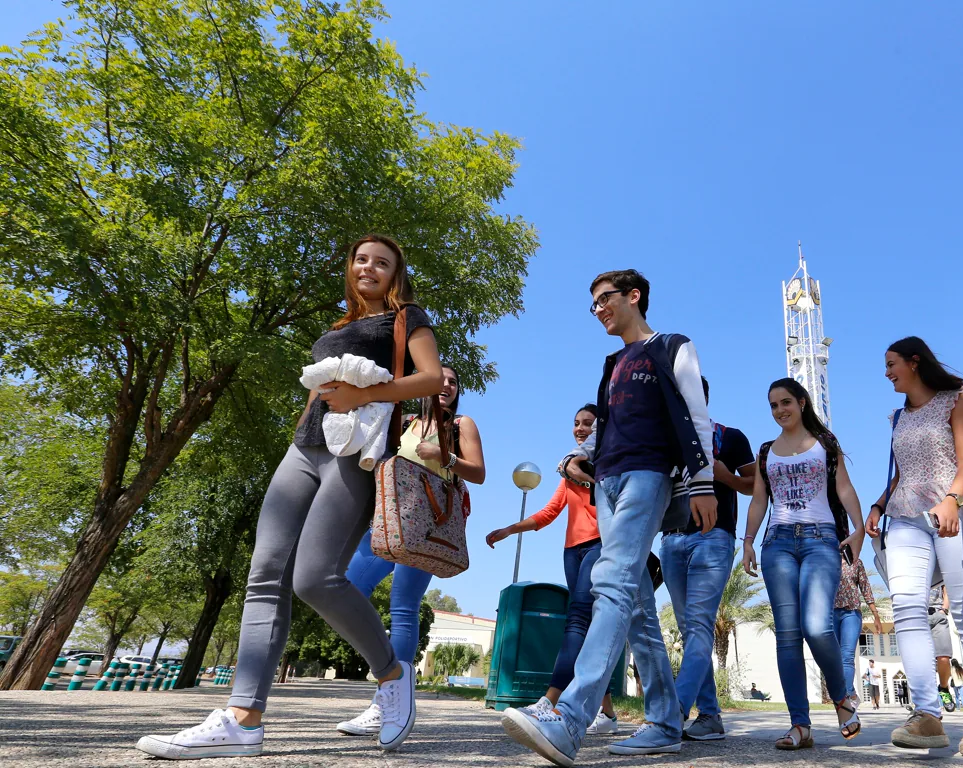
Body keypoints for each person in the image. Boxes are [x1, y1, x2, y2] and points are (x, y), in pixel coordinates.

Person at [136, 234, 442, 759]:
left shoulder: (407, 318)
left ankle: (392, 674)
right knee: (264, 575)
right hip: (303, 451)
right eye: (361, 259)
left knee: (314, 579)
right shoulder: (337, 328)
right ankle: (243, 719)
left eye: (382, 263)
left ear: (396, 274)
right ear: (350, 267)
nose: (369, 267)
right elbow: (316, 394)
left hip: (357, 455)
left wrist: (364, 395)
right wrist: (302, 432)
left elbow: (431, 379)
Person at [501, 269, 717, 764]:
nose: (598, 309)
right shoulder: (613, 363)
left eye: (605, 299)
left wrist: (702, 483)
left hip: (649, 475)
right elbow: (604, 429)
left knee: (612, 583)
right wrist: (573, 457)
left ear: (634, 296)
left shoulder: (672, 345)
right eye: (592, 303)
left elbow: (696, 414)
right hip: (608, 482)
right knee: (636, 606)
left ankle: (570, 719)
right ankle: (664, 722)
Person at [864, 336, 963, 758]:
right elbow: (903, 474)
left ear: (914, 362)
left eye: (891, 364)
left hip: (955, 509)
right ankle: (927, 715)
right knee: (907, 606)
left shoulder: (954, 400)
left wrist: (952, 500)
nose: (887, 372)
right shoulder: (897, 417)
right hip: (906, 514)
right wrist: (877, 505)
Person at [337, 364, 487, 735]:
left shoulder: (460, 424)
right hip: (387, 520)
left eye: (454, 382)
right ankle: (392, 678)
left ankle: (387, 702)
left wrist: (444, 455)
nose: (447, 385)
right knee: (344, 591)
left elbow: (479, 473)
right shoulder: (402, 422)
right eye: (442, 379)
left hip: (428, 527)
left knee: (403, 609)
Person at [741, 378, 866, 751]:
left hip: (820, 540)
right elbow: (760, 500)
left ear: (802, 402)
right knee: (788, 635)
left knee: (816, 626)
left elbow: (843, 487)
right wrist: (747, 541)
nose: (780, 410)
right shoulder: (767, 451)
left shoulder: (825, 443)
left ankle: (842, 698)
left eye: (786, 403)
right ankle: (800, 725)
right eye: (773, 405)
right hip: (777, 543)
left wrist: (859, 529)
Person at [484, 405, 620, 735]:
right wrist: (509, 529)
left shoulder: (609, 461)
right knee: (585, 629)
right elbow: (548, 513)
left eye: (588, 423)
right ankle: (609, 715)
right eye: (576, 423)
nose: (580, 428)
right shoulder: (565, 473)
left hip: (601, 544)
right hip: (572, 551)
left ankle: (550, 700)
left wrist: (586, 475)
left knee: (577, 619)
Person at [660, 376, 755, 741]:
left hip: (712, 539)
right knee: (691, 632)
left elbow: (753, 485)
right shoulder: (664, 440)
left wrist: (725, 476)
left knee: (698, 628)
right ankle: (711, 716)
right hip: (671, 541)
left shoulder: (730, 437)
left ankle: (673, 715)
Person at [835, 552, 884, 707]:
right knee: (835, 658)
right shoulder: (823, 560)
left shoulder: (856, 562)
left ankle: (848, 696)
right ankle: (848, 693)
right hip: (830, 614)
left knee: (847, 656)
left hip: (851, 613)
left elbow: (866, 588)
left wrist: (876, 615)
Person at [929, 585, 956, 712]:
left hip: (938, 614)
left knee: (944, 657)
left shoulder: (937, 565)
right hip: (918, 615)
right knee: (922, 661)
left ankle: (944, 688)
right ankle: (926, 701)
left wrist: (944, 609)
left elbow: (946, 588)